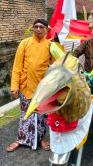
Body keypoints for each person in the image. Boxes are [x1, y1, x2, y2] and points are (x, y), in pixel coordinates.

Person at [6, 19, 52, 152]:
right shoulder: (24, 43)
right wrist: (14, 86)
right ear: (33, 29)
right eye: (36, 27)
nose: (38, 29)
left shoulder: (50, 45)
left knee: (42, 115)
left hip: (42, 88)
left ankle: (41, 139)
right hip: (25, 86)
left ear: (46, 30)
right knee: (25, 114)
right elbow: (17, 66)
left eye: (41, 27)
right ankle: (21, 139)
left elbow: (56, 64)